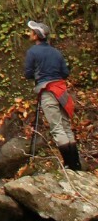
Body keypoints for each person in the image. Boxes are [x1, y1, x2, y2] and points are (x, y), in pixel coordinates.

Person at [24, 20, 83, 171]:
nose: (28, 33)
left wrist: (39, 75)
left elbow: (28, 73)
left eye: (30, 31)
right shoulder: (56, 52)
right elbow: (65, 73)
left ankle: (69, 165)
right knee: (66, 127)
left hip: (48, 92)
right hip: (62, 92)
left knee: (57, 128)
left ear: (36, 35)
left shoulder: (32, 52)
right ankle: (76, 164)